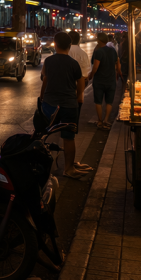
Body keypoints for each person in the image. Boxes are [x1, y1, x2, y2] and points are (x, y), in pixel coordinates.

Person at [40, 32, 91, 179]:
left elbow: (45, 81)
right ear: (69, 46)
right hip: (69, 105)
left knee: (46, 135)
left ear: (55, 45)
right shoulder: (73, 64)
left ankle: (45, 168)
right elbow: (81, 85)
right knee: (68, 137)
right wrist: (75, 97)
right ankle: (68, 168)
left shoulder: (48, 61)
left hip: (49, 104)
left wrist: (42, 98)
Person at [89, 33, 121, 130]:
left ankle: (100, 121)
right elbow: (118, 65)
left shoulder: (99, 52)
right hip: (111, 80)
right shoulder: (113, 51)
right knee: (109, 101)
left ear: (99, 40)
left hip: (99, 80)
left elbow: (95, 67)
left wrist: (91, 76)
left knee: (98, 101)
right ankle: (106, 120)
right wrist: (119, 74)